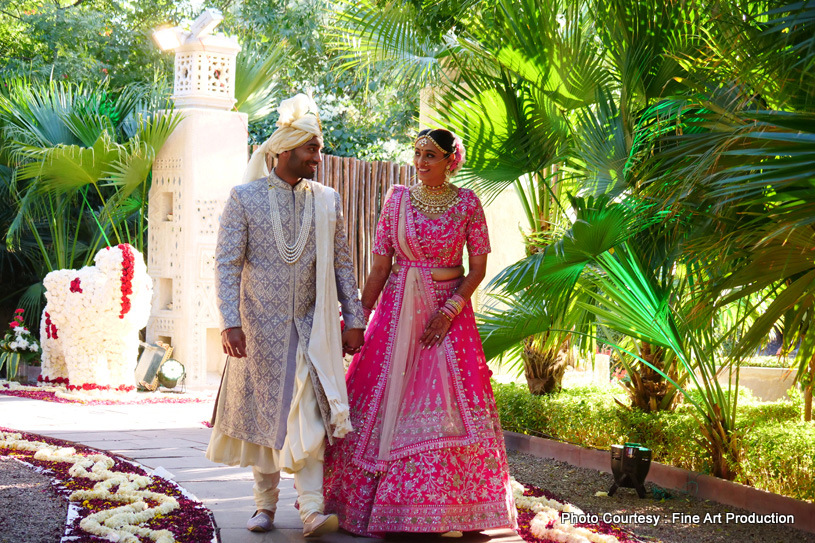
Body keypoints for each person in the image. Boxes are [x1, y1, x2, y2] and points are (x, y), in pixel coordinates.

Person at [323, 128, 517, 536]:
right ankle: (383, 504)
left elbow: (477, 268)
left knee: (450, 402)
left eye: (430, 154)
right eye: (417, 153)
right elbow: (378, 269)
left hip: (448, 314)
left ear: (451, 160)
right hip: (397, 314)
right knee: (382, 398)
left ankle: (455, 507)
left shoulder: (467, 203)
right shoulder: (398, 200)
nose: (421, 161)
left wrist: (449, 310)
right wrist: (357, 319)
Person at [206, 93, 365, 538]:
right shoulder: (245, 198)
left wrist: (354, 318)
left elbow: (342, 263)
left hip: (313, 328)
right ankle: (264, 506)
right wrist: (230, 320)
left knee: (310, 415)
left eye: (318, 148)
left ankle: (312, 508)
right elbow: (226, 263)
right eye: (311, 148)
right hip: (259, 328)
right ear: (285, 150)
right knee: (266, 418)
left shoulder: (327, 200)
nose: (319, 156)